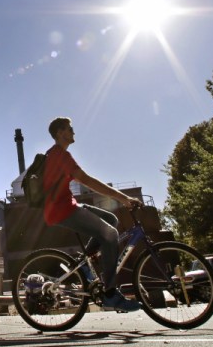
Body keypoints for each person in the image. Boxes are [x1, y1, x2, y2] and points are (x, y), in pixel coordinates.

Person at [43, 116, 142, 313]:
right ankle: (110, 293)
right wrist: (123, 198)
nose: (73, 132)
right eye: (70, 129)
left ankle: (83, 263)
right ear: (60, 133)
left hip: (67, 205)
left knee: (111, 219)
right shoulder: (59, 155)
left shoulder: (57, 154)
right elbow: (88, 181)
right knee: (111, 234)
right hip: (62, 210)